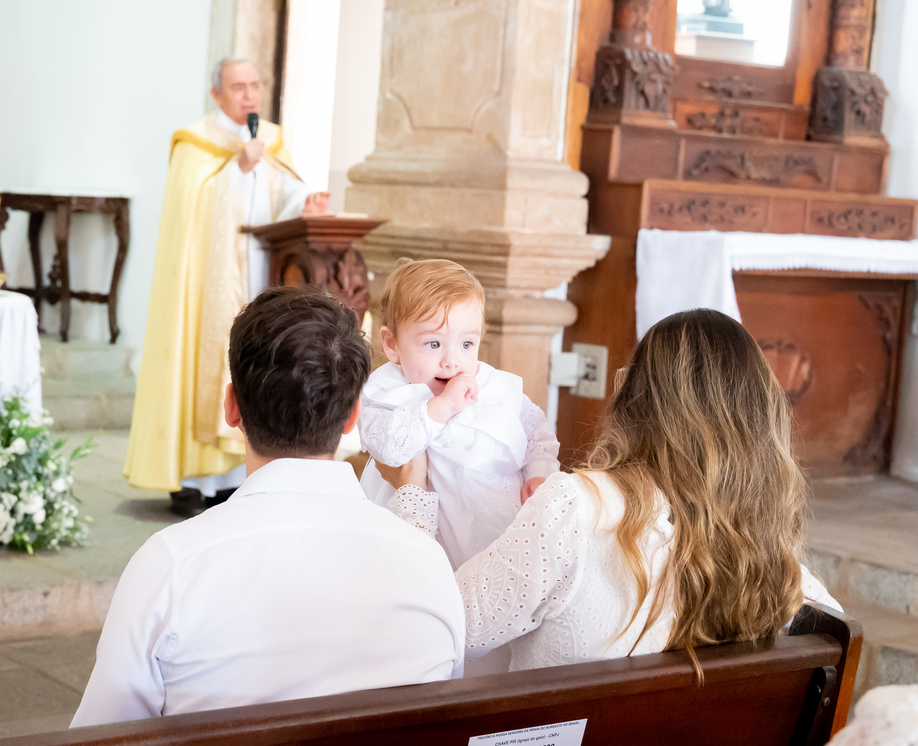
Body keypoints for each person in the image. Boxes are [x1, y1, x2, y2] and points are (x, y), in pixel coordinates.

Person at [72, 286, 464, 726]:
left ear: (232, 408)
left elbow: (101, 733)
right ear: (353, 416)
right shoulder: (429, 562)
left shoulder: (172, 565)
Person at [381, 308, 840, 675]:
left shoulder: (575, 507)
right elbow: (836, 626)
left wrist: (412, 492)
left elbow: (435, 626)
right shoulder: (764, 552)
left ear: (634, 399)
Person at [123, 57, 331, 517]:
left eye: (255, 85)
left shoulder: (270, 138)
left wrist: (306, 201)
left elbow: (284, 194)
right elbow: (191, 209)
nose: (250, 94)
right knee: (206, 361)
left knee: (254, 363)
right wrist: (237, 167)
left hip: (261, 269)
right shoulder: (194, 142)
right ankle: (191, 481)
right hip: (207, 281)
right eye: (238, 87)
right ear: (216, 94)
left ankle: (235, 479)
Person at [358, 258, 560, 570]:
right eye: (433, 344)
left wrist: (538, 473)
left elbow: (535, 432)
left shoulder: (492, 386)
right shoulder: (390, 393)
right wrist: (442, 407)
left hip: (500, 536)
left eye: (466, 343)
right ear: (392, 344)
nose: (452, 361)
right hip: (424, 536)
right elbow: (387, 447)